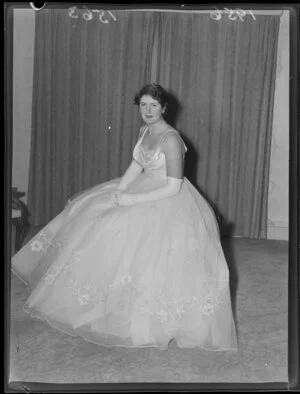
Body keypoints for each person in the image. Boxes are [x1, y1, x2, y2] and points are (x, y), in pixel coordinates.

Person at [11, 83, 237, 350]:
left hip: (167, 199)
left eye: (154, 105)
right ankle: (109, 304)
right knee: (101, 225)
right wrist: (119, 191)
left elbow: (173, 186)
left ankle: (150, 318)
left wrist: (132, 199)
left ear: (164, 108)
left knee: (153, 256)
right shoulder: (145, 131)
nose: (148, 110)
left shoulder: (172, 140)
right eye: (143, 105)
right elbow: (136, 165)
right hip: (142, 188)